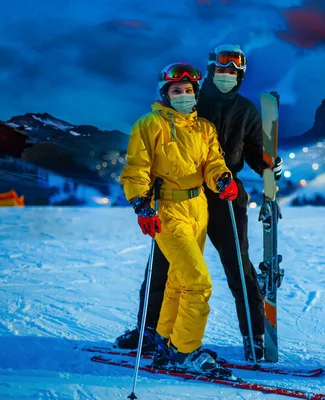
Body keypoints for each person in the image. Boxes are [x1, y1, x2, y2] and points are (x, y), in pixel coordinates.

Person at [115, 44, 283, 361]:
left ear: (240, 76)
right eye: (221, 70)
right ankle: (150, 331)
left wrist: (266, 165)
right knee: (163, 267)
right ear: (209, 73)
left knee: (238, 264)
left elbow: (252, 152)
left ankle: (254, 334)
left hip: (225, 195)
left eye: (233, 72)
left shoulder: (245, 110)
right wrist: (144, 200)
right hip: (178, 197)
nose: (226, 76)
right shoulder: (190, 100)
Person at [119, 62, 239, 374]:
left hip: (199, 207)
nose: (183, 95)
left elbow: (213, 162)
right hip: (168, 210)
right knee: (198, 282)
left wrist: (223, 179)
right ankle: (187, 350)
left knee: (178, 281)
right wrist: (141, 206)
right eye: (177, 91)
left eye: (188, 90)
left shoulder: (204, 128)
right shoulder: (149, 125)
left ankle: (167, 341)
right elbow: (136, 169)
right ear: (166, 94)